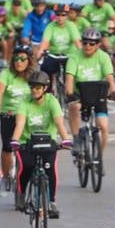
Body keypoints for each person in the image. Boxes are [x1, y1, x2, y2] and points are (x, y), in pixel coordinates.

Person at [12, 71, 72, 218]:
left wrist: (65, 139)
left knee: (50, 169)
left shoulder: (52, 101)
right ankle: (21, 194)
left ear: (45, 88)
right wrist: (15, 140)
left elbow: (59, 122)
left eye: (38, 88)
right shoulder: (24, 102)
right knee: (27, 167)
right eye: (32, 87)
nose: (34, 90)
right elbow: (20, 124)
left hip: (47, 142)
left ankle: (51, 201)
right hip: (28, 142)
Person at [64, 27, 115, 154]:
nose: (87, 46)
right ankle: (76, 138)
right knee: (74, 107)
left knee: (103, 126)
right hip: (80, 93)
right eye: (85, 42)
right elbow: (69, 78)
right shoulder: (74, 57)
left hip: (98, 94)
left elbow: (109, 77)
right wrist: (69, 93)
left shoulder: (103, 57)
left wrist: (113, 91)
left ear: (98, 44)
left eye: (92, 43)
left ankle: (99, 156)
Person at [0, 49, 34, 186]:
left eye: (22, 59)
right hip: (9, 114)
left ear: (29, 62)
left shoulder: (33, 76)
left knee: (29, 147)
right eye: (16, 59)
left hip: (27, 116)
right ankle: (6, 177)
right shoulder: (6, 74)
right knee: (7, 147)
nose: (19, 62)